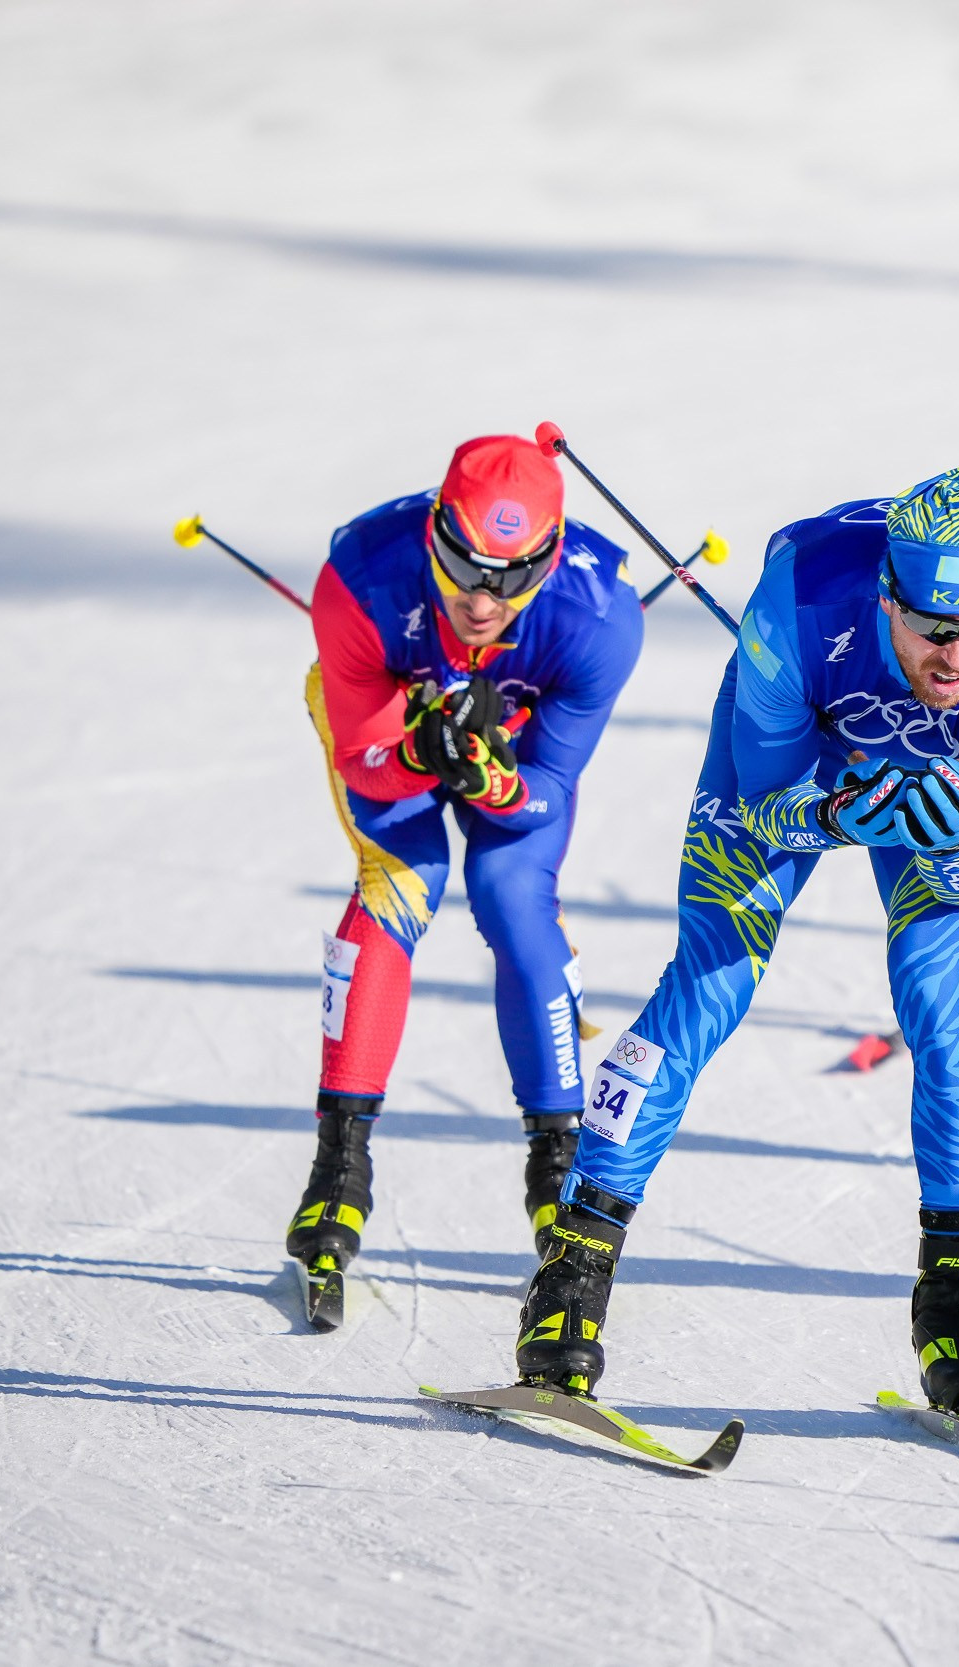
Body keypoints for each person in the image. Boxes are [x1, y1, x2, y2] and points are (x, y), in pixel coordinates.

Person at [517, 468, 959, 1417]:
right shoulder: (796, 604)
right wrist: (834, 811)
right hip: (803, 758)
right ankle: (571, 1275)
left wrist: (957, 844)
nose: (958, 655)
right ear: (888, 595)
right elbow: (764, 800)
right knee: (711, 981)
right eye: (934, 627)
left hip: (950, 776)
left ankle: (955, 1298)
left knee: (938, 993)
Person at [286, 435, 643, 1325]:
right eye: (462, 568)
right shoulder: (361, 580)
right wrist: (417, 751)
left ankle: (557, 1170)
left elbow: (546, 790)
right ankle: (337, 1168)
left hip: (513, 750)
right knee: (403, 881)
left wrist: (497, 782)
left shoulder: (599, 617)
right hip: (386, 730)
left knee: (512, 896)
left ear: (548, 560)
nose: (482, 600)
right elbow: (366, 762)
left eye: (511, 578)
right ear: (434, 534)